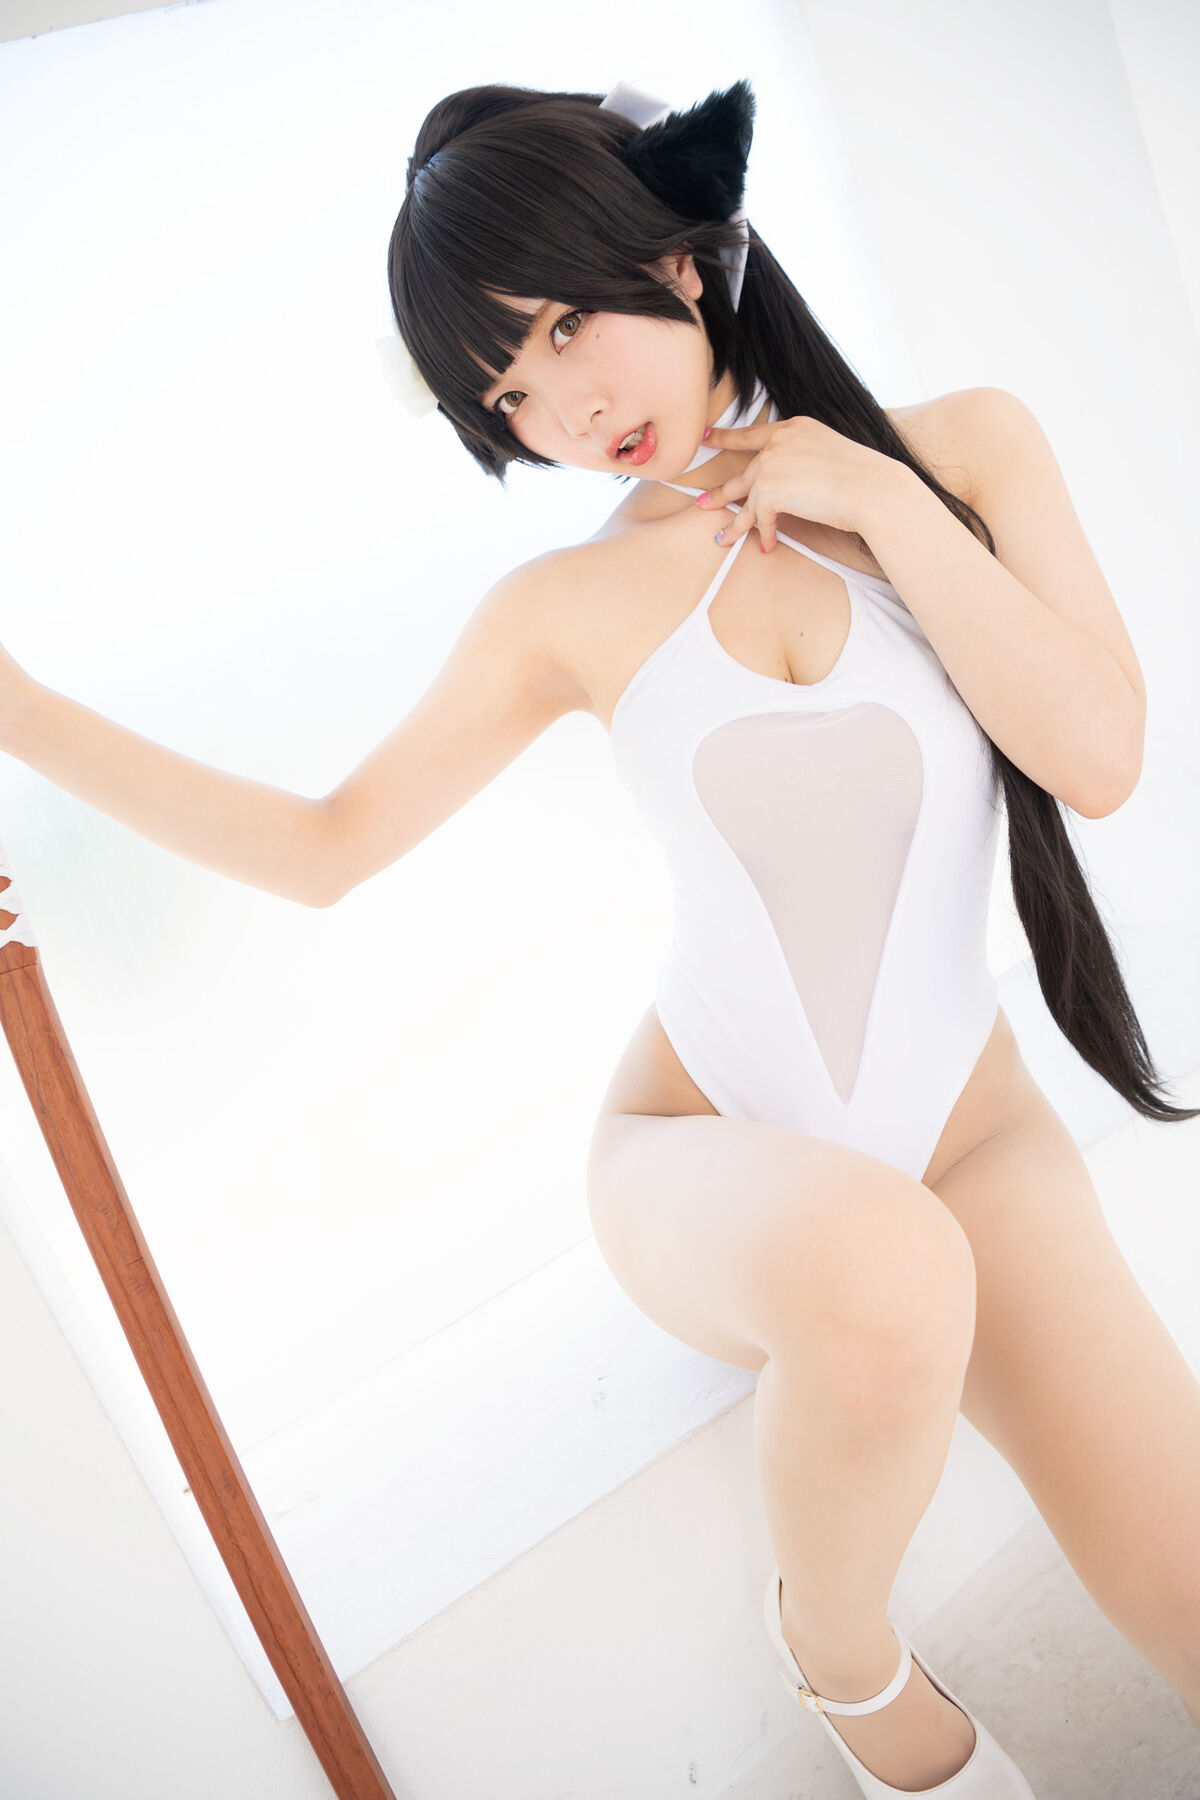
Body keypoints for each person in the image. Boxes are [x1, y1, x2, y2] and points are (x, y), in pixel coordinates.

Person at [3, 74, 1198, 1798]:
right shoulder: (561, 609)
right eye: (508, 387)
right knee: (885, 1272)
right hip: (699, 1153)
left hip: (972, 1127)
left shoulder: (966, 451)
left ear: (680, 257)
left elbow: (1096, 755)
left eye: (566, 325)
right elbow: (326, 848)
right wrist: (25, 714)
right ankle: (845, 1655)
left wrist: (881, 502)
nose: (564, 405)